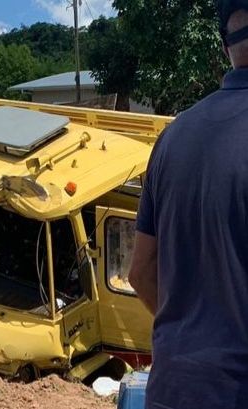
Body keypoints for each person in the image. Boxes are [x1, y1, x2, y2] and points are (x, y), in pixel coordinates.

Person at [128, 3, 248, 408]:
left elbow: (141, 271)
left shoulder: (172, 137)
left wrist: (190, 339)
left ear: (223, 48)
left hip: (173, 389)